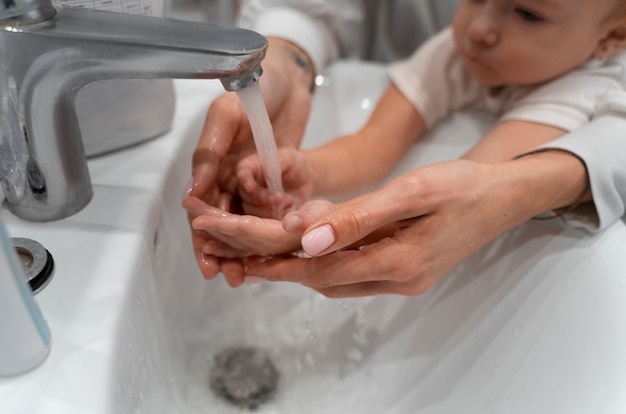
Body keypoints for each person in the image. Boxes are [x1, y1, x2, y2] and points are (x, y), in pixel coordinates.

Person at [183, 0, 626, 297]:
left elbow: (458, 192)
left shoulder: (585, 91)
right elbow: (373, 145)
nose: (480, 29)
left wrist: (327, 226)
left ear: (614, 36)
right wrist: (300, 172)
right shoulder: (461, 54)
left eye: (528, 14)